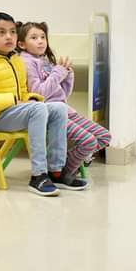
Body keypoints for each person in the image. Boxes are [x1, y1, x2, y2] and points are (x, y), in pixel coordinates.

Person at [0, 12, 72, 196]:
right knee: (38, 109)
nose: (9, 37)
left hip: (13, 112)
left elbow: (23, 93)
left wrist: (32, 98)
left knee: (59, 108)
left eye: (13, 32)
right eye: (2, 32)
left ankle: (56, 171)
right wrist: (13, 100)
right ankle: (38, 175)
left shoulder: (16, 61)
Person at [19, 21, 109, 187]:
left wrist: (67, 76)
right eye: (34, 37)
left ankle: (66, 164)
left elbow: (63, 94)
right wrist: (58, 73)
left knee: (104, 136)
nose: (40, 41)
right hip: (48, 113)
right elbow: (40, 94)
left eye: (43, 37)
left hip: (64, 109)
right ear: (22, 44)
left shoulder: (44, 59)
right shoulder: (26, 62)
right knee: (88, 141)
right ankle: (62, 172)